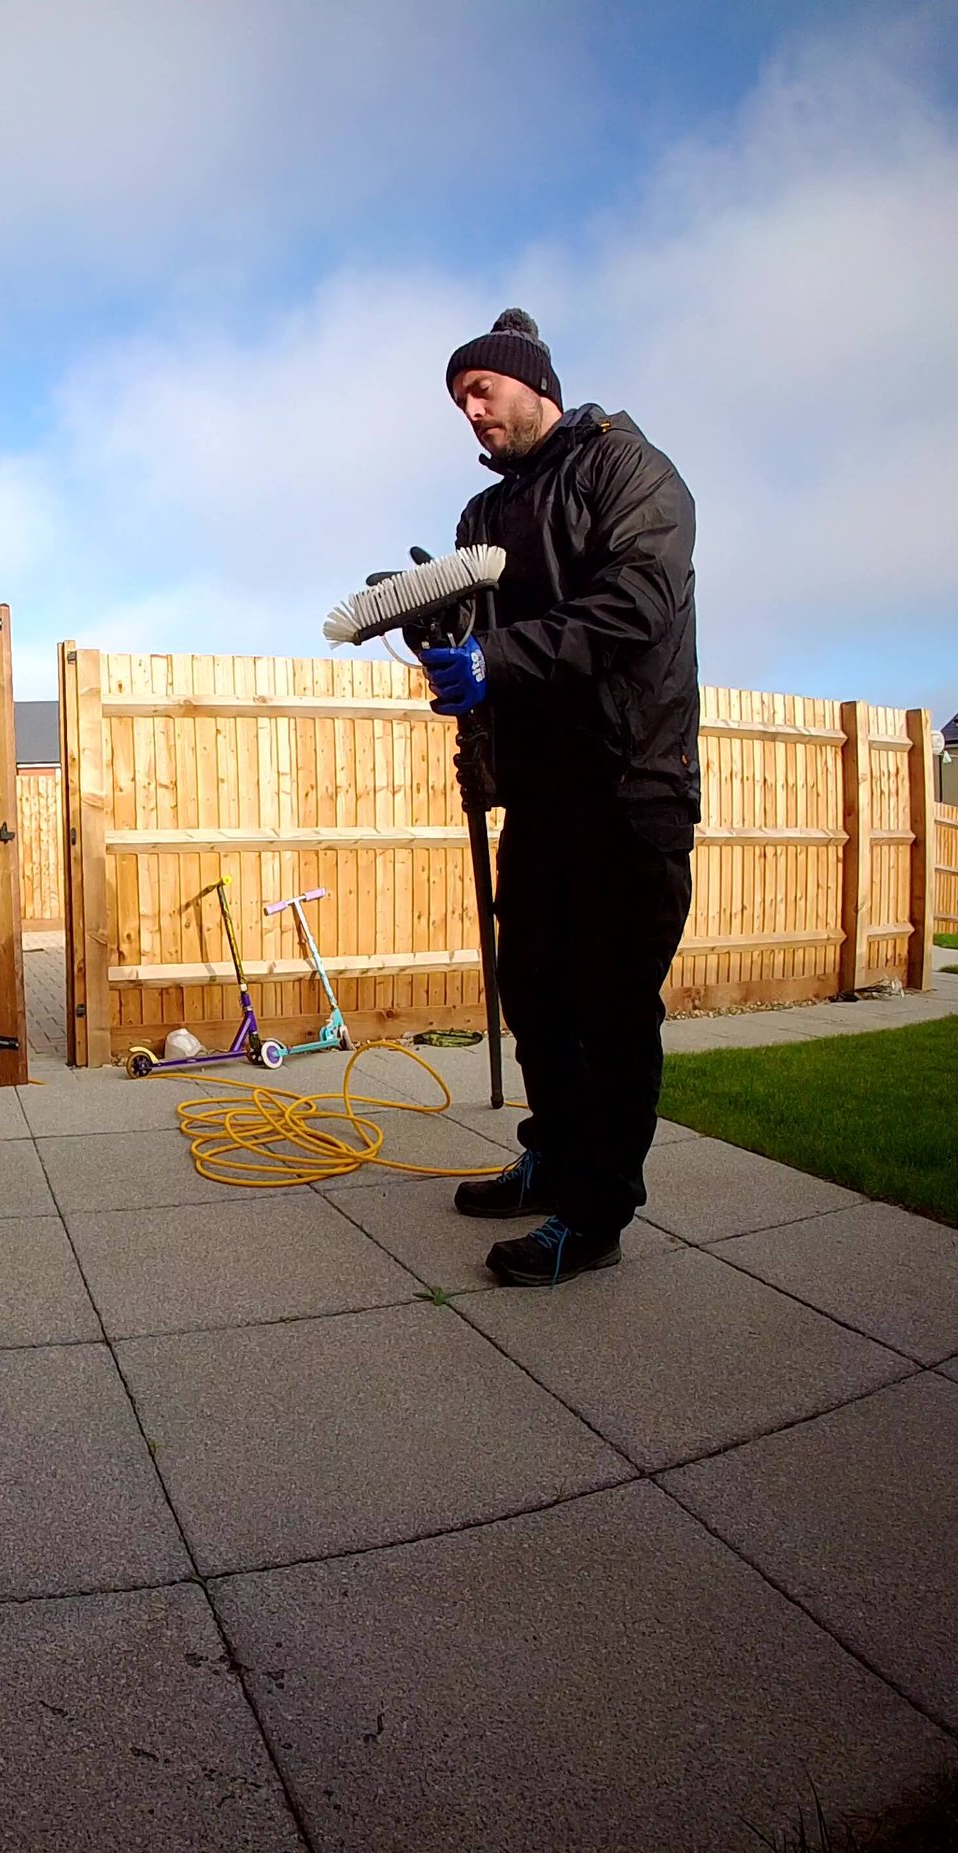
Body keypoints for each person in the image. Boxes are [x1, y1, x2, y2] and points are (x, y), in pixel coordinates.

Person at [419, 308, 699, 1286]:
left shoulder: (625, 470)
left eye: (480, 389)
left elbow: (636, 601)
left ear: (533, 381)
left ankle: (596, 1211)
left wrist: (492, 656)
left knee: (610, 1008)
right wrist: (441, 641)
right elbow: (474, 636)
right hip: (541, 800)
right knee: (533, 992)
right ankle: (551, 1157)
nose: (469, 410)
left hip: (633, 789)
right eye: (458, 400)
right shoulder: (481, 519)